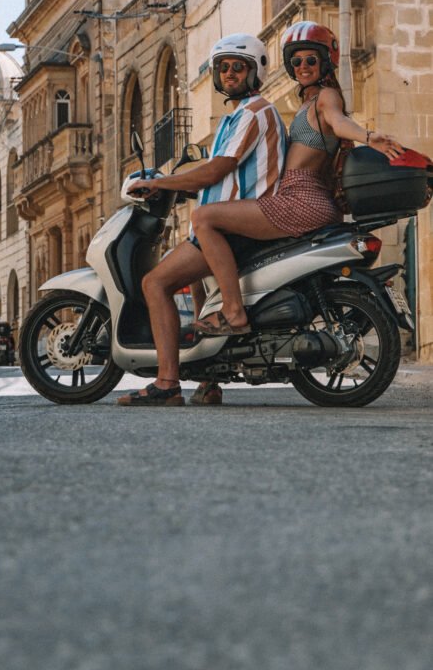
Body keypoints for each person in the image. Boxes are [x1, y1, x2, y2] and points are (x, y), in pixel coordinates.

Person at [191, 21, 405, 337]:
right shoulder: (308, 101)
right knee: (197, 259)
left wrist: (368, 136)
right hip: (297, 199)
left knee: (203, 218)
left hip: (301, 200)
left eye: (310, 60)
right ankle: (206, 364)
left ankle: (234, 311)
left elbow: (339, 121)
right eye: (297, 61)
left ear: (325, 62)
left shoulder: (326, 97)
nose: (303, 67)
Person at [117, 33, 287, 406]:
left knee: (155, 284)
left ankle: (167, 383)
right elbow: (216, 172)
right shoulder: (234, 118)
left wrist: (159, 181)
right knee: (197, 289)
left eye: (237, 68)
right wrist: (172, 184)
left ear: (254, 72)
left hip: (240, 222)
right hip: (226, 223)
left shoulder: (254, 112)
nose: (229, 74)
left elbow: (215, 172)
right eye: (223, 68)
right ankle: (208, 380)